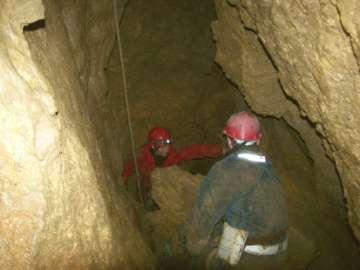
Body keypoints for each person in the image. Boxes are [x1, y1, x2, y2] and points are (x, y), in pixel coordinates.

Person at [184, 111, 288, 269]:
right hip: (280, 255)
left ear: (230, 140)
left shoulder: (226, 170)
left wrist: (193, 248)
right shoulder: (268, 167)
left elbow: (204, 216)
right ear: (258, 140)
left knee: (195, 260)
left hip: (249, 259)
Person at [122, 127, 223, 209]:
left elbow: (196, 151)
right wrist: (124, 185)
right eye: (163, 145)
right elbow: (128, 168)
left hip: (163, 186)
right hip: (145, 186)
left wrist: (220, 150)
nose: (167, 148)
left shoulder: (172, 155)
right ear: (153, 146)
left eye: (168, 144)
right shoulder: (142, 158)